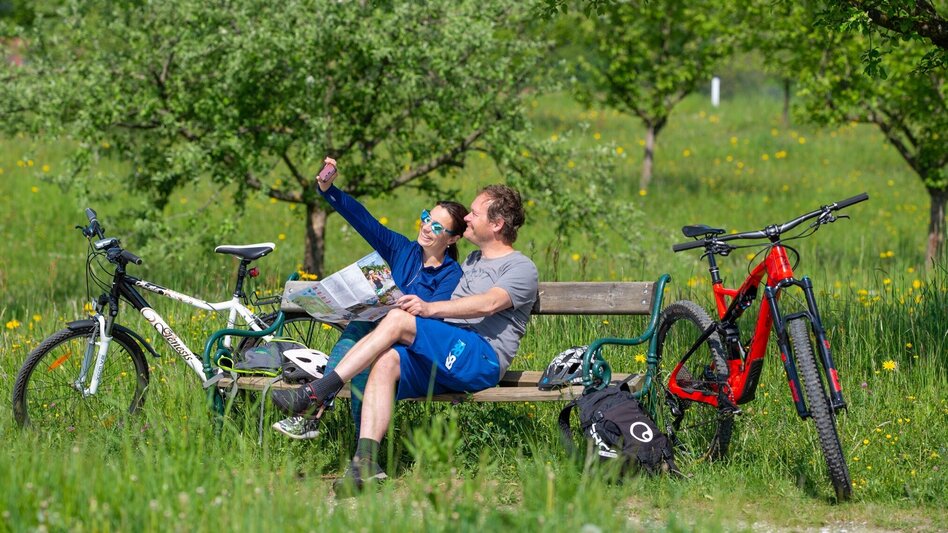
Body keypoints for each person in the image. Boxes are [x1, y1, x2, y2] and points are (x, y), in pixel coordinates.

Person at [272, 184, 539, 493]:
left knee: (399, 321)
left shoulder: (520, 267)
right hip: (449, 351)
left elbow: (491, 303)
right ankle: (366, 464)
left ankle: (319, 392)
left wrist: (427, 308)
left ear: (497, 224)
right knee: (385, 362)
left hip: (482, 356)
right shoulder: (473, 262)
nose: (467, 217)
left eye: (475, 213)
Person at [272, 157, 469, 440]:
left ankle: (359, 448)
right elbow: (364, 221)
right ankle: (311, 420)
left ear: (452, 239)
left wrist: (414, 308)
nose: (427, 228)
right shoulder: (401, 248)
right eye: (427, 219)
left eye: (437, 227)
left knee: (363, 371)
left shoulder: (450, 274)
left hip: (405, 345)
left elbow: (436, 317)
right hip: (372, 326)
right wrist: (329, 190)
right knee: (346, 346)